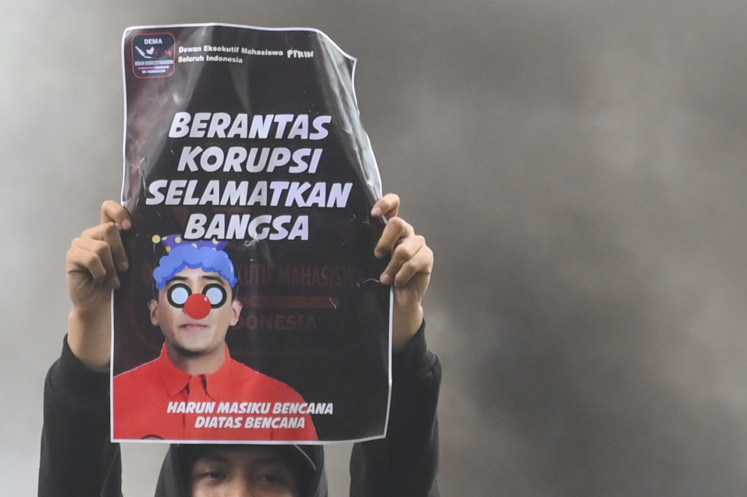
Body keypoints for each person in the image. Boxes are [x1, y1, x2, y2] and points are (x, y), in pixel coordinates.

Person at [39, 194, 440, 497]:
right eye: (214, 473)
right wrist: (91, 323)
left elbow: (401, 475)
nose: (241, 495)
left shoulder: (287, 399)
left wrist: (398, 329)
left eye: (270, 477)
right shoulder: (130, 390)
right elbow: (75, 473)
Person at [114, 236, 317, 441]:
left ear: (234, 313)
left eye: (213, 292)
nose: (195, 307)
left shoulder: (283, 402)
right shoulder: (117, 395)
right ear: (155, 312)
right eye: (179, 292)